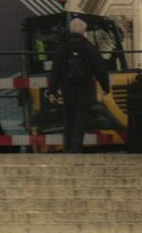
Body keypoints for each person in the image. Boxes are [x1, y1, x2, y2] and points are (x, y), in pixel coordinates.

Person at [47, 15, 110, 154]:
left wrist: (52, 91)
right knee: (80, 120)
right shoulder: (89, 48)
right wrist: (106, 87)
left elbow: (55, 70)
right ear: (84, 31)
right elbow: (100, 69)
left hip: (67, 90)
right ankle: (76, 149)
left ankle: (68, 148)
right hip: (85, 89)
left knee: (68, 120)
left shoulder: (62, 48)